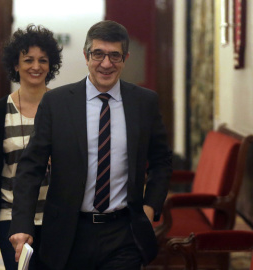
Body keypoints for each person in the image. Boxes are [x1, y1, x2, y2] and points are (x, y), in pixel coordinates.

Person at [9, 20, 172, 270]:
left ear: (125, 58)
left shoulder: (144, 102)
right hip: (69, 233)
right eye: (98, 54)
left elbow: (161, 161)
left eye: (115, 55)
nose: (106, 64)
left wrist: (150, 206)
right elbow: (31, 167)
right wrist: (22, 225)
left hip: (123, 233)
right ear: (86, 55)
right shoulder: (56, 103)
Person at [0, 24, 62, 270]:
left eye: (43, 60)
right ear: (16, 64)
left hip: (56, 217)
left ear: (51, 65)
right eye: (28, 60)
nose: (36, 66)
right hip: (10, 217)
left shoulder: (63, 108)